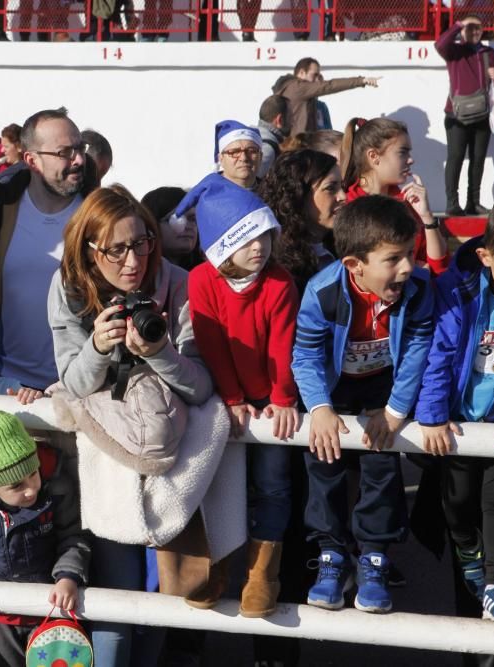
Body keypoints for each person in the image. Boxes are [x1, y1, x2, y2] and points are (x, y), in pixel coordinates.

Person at [48, 185, 213, 665]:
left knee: (163, 598)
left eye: (141, 243)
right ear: (88, 250)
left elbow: (201, 387)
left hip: (171, 461)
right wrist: (97, 346)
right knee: (117, 599)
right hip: (108, 461)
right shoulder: (67, 286)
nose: (132, 261)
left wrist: (160, 353)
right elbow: (73, 383)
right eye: (116, 249)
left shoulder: (178, 282)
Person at [292, 195, 434, 614]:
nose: (407, 267)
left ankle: (373, 556)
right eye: (393, 259)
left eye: (409, 254)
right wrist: (318, 408)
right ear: (355, 265)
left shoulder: (418, 290)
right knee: (323, 462)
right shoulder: (322, 292)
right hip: (335, 390)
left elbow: (417, 349)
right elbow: (306, 354)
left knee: (381, 466)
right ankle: (332, 555)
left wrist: (393, 412)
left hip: (382, 390)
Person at [181, 174, 298, 618]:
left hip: (273, 402)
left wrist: (283, 398)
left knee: (273, 483)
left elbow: (283, 347)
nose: (259, 247)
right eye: (246, 238)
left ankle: (262, 574)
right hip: (225, 400)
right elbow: (210, 342)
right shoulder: (201, 280)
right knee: (222, 482)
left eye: (264, 235)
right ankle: (220, 566)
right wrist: (231, 398)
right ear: (220, 244)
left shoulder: (279, 283)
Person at [417, 197, 494, 624]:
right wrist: (433, 415)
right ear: (485, 256)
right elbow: (438, 356)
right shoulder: (458, 291)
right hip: (458, 423)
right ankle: (464, 543)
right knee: (456, 501)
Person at [0, 107, 95, 391]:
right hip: (6, 385)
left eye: (80, 148)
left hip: (79, 387)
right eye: (65, 152)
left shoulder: (98, 214)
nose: (79, 159)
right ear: (32, 160)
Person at [0, 397, 89, 667]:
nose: (31, 488)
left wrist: (68, 576)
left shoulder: (56, 488)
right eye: (16, 485)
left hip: (50, 610)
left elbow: (73, 537)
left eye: (33, 474)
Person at [342, 117, 449, 276]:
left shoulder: (406, 201)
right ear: (373, 156)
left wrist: (427, 218)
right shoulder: (349, 206)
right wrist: (416, 270)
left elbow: (439, 268)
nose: (411, 159)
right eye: (403, 152)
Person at [435, 15, 494, 216]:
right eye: (470, 28)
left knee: (478, 160)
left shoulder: (488, 52)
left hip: (482, 115)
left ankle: (473, 202)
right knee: (456, 158)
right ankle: (452, 203)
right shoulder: (454, 51)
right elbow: (440, 44)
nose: (474, 32)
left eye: (478, 28)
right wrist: (459, 24)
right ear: (463, 31)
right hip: (456, 116)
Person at [258, 149, 346, 294]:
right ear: (299, 195)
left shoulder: (345, 245)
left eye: (342, 186)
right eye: (331, 188)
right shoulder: (275, 264)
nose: (343, 196)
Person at [272, 58, 380, 135]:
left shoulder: (294, 89)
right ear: (301, 73)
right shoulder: (298, 87)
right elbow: (329, 86)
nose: (318, 79)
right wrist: (362, 80)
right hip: (296, 147)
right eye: (314, 75)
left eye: (319, 76)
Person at [141, 186, 204, 271]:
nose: (188, 226)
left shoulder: (210, 271)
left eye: (192, 219)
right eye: (176, 219)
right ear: (152, 225)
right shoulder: (140, 275)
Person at [214, 120, 262, 189]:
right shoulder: (206, 197)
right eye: (234, 152)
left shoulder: (273, 194)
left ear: (261, 156)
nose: (244, 158)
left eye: (251, 151)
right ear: (221, 158)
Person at [257, 94, 289, 178]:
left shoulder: (253, 136)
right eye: (292, 117)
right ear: (280, 120)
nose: (294, 122)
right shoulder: (268, 149)